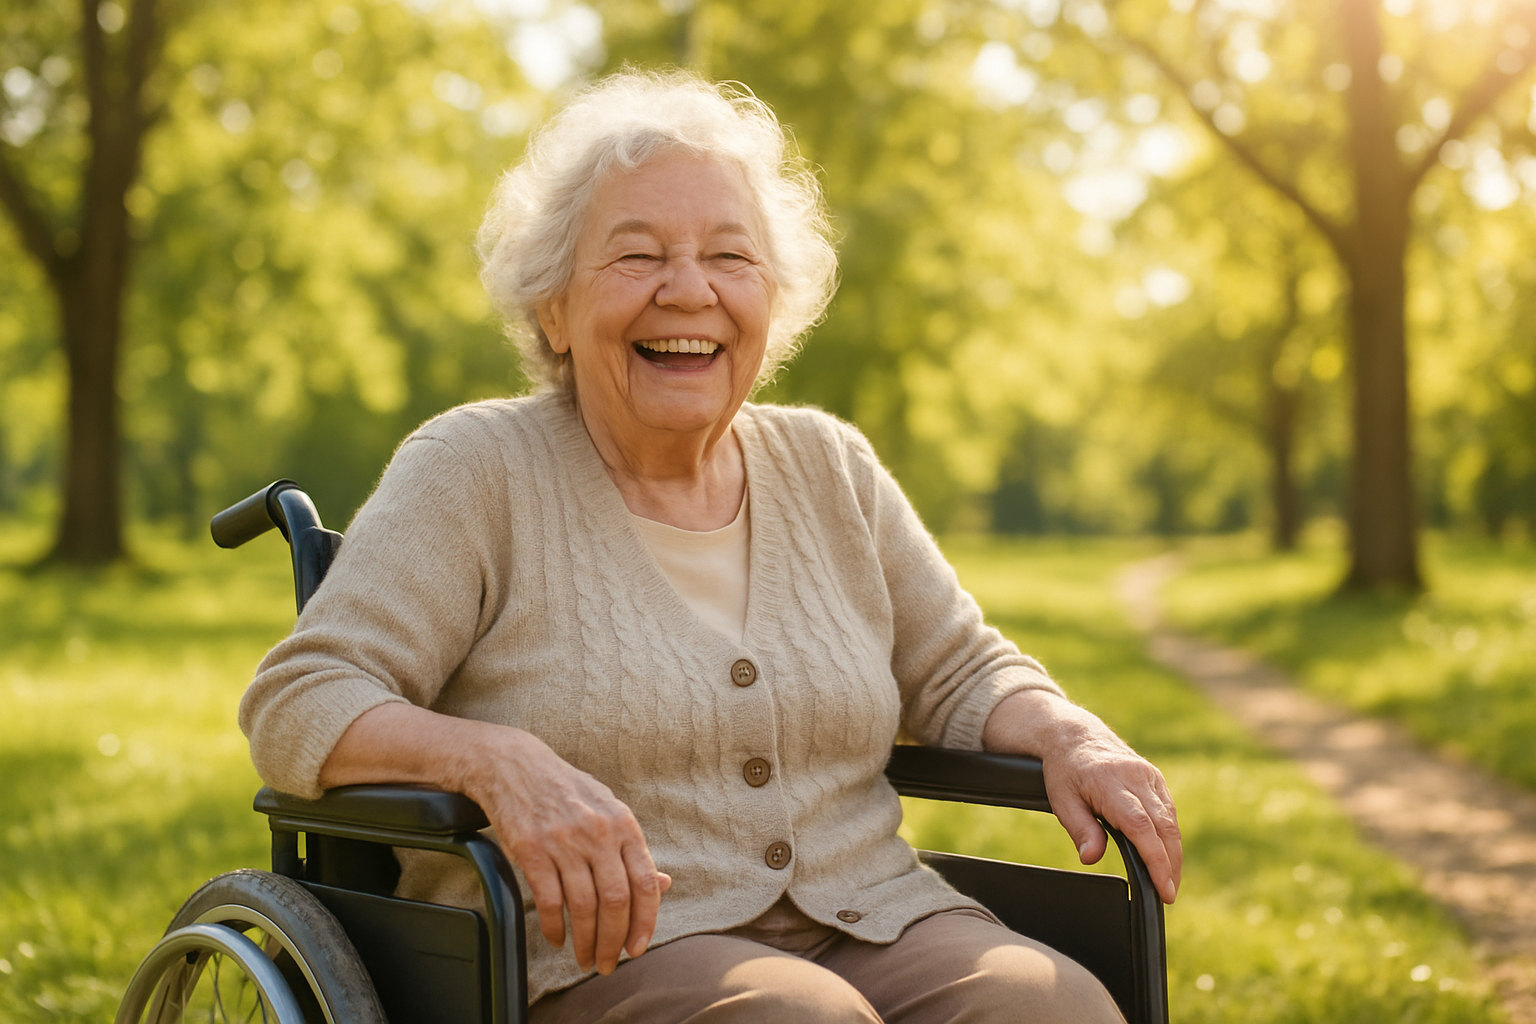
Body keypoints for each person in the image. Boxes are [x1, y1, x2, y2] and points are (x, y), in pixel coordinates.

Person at [240, 70, 1180, 1023]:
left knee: (1056, 1007)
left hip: (879, 920)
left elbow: (958, 670)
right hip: (603, 955)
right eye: (637, 255)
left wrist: (1068, 733)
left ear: (769, 304)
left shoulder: (829, 466)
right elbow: (301, 698)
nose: (687, 291)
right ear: (554, 308)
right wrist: (496, 762)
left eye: (729, 257)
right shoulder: (476, 469)